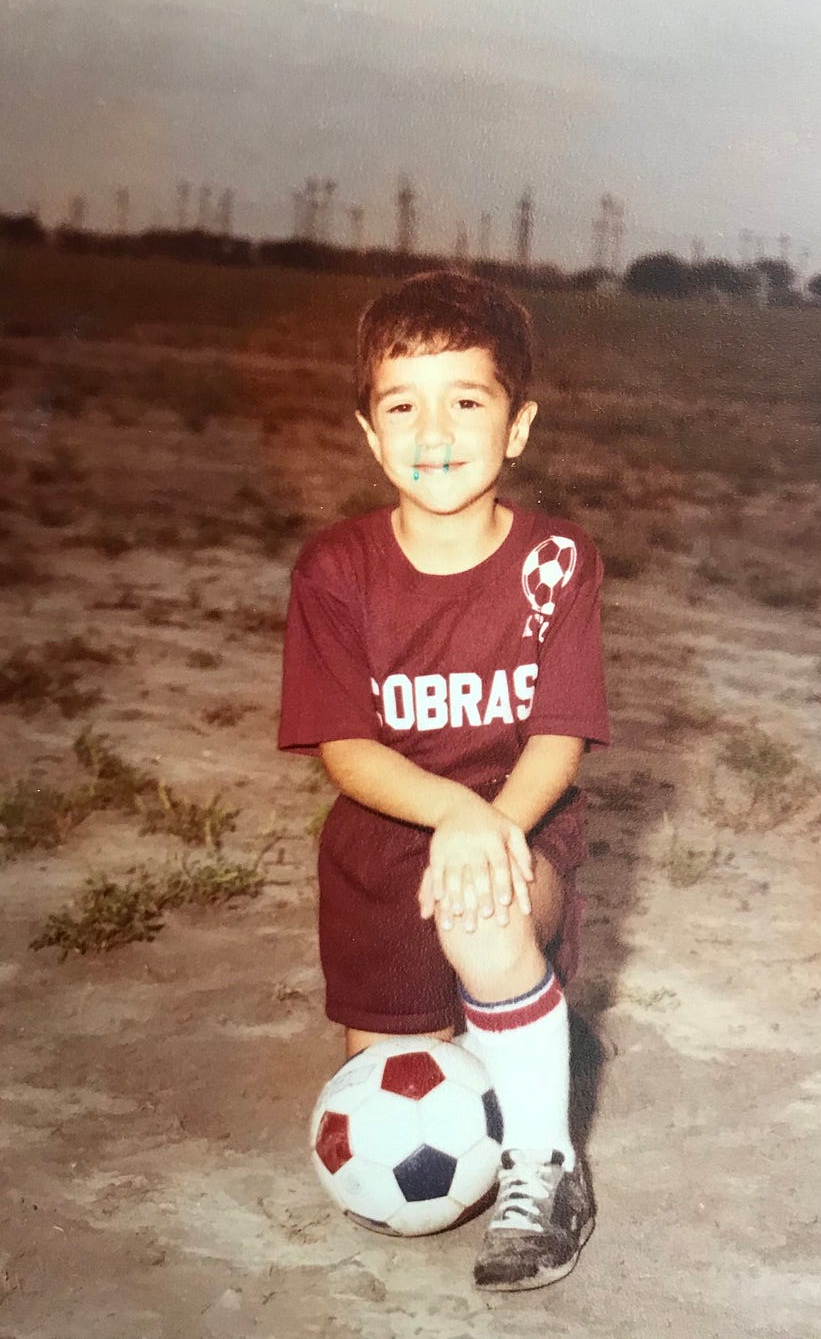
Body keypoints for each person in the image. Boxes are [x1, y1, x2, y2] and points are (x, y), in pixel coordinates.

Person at [278, 270, 609, 1291]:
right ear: (369, 434)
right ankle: (535, 1034)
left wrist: (494, 830)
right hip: (385, 850)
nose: (435, 430)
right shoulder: (337, 568)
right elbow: (346, 749)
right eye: (401, 405)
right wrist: (451, 812)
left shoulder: (556, 559)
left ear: (517, 427)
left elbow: (559, 734)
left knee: (482, 916)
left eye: (467, 401)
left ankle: (546, 1163)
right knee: (396, 1094)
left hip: (520, 828)